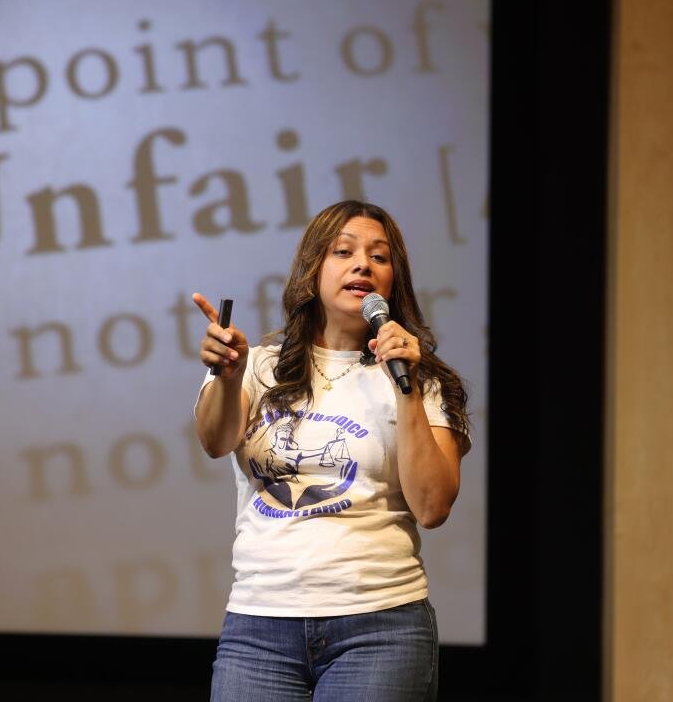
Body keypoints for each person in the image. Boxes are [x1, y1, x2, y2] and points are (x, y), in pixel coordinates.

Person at [192, 200, 471, 701]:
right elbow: (214, 442)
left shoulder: (418, 378)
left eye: (379, 257)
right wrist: (226, 377)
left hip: (380, 628)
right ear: (312, 271)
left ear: (392, 283)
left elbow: (432, 507)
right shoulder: (257, 367)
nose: (363, 263)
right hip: (260, 627)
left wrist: (404, 386)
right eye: (343, 251)